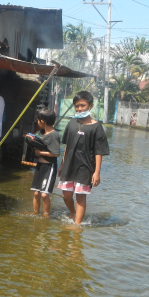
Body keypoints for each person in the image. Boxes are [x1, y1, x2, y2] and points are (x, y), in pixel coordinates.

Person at [57, 91, 109, 225]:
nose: (79, 108)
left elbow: (99, 151)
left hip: (85, 167)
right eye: (77, 106)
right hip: (69, 164)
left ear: (90, 105)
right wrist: (62, 164)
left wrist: (97, 172)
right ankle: (72, 212)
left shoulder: (97, 127)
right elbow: (67, 146)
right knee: (66, 195)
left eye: (83, 105)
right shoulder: (72, 123)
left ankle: (77, 226)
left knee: (80, 196)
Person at [28, 109, 60, 218]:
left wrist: (40, 152)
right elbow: (36, 142)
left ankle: (46, 215)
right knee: (36, 193)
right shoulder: (40, 133)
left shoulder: (54, 135)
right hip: (39, 166)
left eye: (38, 120)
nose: (37, 122)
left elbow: (55, 154)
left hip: (49, 167)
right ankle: (35, 212)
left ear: (42, 121)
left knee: (44, 194)